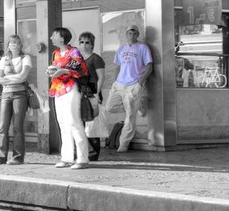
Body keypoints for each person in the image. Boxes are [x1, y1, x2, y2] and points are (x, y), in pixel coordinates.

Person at [48, 27, 90, 170]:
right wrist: (52, 71)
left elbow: (81, 70)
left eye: (53, 35)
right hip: (58, 89)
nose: (51, 38)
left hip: (71, 88)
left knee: (73, 122)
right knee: (62, 123)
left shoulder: (74, 52)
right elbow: (56, 68)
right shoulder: (56, 53)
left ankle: (83, 158)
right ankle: (66, 157)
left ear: (62, 37)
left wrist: (63, 70)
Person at [107, 24, 153, 153]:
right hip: (119, 84)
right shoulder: (121, 48)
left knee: (130, 116)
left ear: (137, 35)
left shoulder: (143, 47)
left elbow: (149, 67)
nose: (131, 36)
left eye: (134, 33)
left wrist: (140, 83)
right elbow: (117, 66)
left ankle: (124, 144)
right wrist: (115, 81)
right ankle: (138, 105)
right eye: (129, 33)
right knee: (109, 107)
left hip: (134, 84)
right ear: (126, 34)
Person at [0, 35, 32, 165]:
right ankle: (0, 156)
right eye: (11, 43)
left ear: (20, 45)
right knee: (2, 126)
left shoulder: (25, 58)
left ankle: (18, 157)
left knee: (17, 127)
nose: (13, 45)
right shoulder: (4, 59)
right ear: (8, 45)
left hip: (20, 94)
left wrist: (7, 79)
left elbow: (23, 77)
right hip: (5, 94)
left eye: (16, 43)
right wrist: (14, 78)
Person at [77, 32, 106, 162]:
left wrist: (97, 94)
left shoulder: (96, 58)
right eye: (82, 42)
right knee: (80, 123)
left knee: (92, 125)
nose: (84, 45)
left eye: (87, 42)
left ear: (92, 44)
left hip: (92, 93)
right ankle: (82, 151)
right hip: (79, 93)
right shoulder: (77, 58)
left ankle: (93, 153)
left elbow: (101, 77)